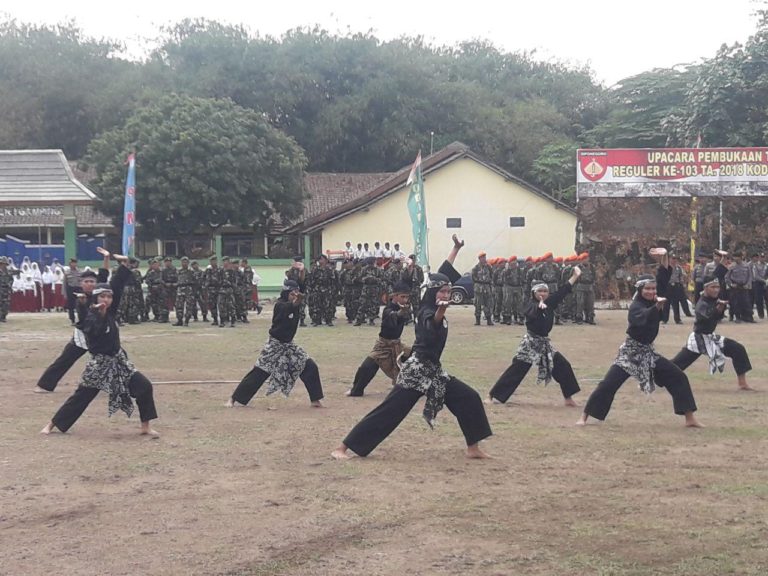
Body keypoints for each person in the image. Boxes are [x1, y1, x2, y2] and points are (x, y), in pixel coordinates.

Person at [332, 235, 493, 460]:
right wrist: (441, 312)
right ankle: (343, 448)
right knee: (389, 412)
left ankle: (473, 448)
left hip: (434, 371)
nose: (445, 295)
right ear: (432, 293)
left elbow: (444, 270)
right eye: (442, 292)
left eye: (448, 292)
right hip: (416, 372)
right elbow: (431, 323)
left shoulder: (433, 301)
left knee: (469, 398)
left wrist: (455, 249)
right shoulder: (426, 310)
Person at [40, 247, 159, 437]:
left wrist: (123, 263)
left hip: (119, 362)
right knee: (82, 397)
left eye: (109, 296)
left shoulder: (111, 310)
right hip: (100, 364)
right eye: (102, 296)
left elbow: (117, 284)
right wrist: (98, 315)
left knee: (144, 386)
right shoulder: (89, 314)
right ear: (96, 298)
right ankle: (52, 424)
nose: (106, 299)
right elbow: (91, 331)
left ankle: (146, 426)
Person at [577, 251, 702, 428]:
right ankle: (584, 417)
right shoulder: (636, 306)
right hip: (630, 353)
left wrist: (664, 256)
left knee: (678, 376)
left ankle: (690, 418)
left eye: (653, 289)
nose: (651, 292)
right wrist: (656, 308)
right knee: (608, 384)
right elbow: (641, 317)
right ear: (640, 290)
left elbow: (664, 277)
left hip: (648, 353)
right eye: (647, 289)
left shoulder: (654, 300)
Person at [489, 265, 582, 407]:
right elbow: (530, 312)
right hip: (531, 344)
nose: (543, 294)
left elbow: (563, 291)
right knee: (517, 370)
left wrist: (575, 276)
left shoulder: (550, 303)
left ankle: (568, 398)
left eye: (545, 291)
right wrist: (539, 307)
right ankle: (492, 395)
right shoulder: (529, 304)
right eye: (540, 291)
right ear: (534, 293)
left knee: (563, 366)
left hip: (544, 344)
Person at [226, 279, 324, 408]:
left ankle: (315, 400)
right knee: (260, 372)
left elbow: (299, 299)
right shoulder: (280, 305)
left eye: (295, 293)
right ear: (285, 293)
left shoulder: (296, 305)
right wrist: (297, 300)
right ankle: (234, 399)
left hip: (289, 345)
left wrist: (299, 295)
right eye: (291, 293)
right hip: (275, 345)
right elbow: (290, 307)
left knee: (309, 366)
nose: (294, 295)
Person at [35, 250, 111, 392]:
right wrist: (83, 304)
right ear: (81, 284)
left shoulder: (99, 293)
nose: (90, 284)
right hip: (83, 335)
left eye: (92, 282)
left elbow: (104, 274)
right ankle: (45, 385)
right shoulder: (79, 297)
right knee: (66, 359)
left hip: (99, 334)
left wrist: (106, 257)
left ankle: (117, 383)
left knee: (112, 357)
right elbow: (84, 318)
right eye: (86, 282)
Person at [671, 277, 755, 391]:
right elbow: (708, 316)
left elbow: (717, 315)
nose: (716, 290)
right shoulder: (702, 303)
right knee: (677, 364)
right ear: (705, 288)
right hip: (699, 339)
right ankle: (652, 377)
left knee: (738, 349)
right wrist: (719, 307)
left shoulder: (714, 299)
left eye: (717, 287)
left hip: (711, 337)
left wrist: (721, 307)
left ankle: (742, 383)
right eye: (713, 287)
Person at [347, 281, 412, 396]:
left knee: (417, 357)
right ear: (394, 296)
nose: (405, 300)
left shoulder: (406, 307)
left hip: (397, 344)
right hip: (383, 345)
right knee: (367, 367)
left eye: (407, 297)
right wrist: (401, 312)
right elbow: (393, 315)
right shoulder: (388, 309)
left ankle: (418, 387)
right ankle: (356, 390)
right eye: (402, 297)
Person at [472, 251, 494, 326]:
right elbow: (473, 278)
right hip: (479, 288)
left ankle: (489, 320)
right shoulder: (476, 268)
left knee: (488, 304)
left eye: (484, 257)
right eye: (482, 258)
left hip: (487, 288)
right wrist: (480, 281)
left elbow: (492, 275)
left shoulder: (489, 267)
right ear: (479, 259)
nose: (484, 259)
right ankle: (477, 320)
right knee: (477, 304)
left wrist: (488, 282)